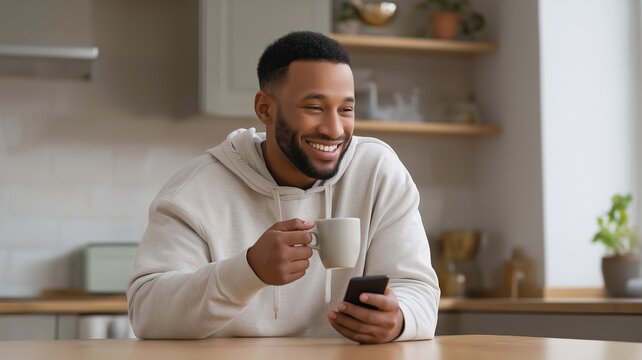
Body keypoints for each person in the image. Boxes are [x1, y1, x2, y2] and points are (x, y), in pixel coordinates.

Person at [127, 31, 440, 344]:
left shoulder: (377, 172)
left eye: (346, 110)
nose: (334, 129)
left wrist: (399, 320)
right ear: (265, 109)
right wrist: (248, 270)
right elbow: (147, 312)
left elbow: (418, 289)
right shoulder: (195, 191)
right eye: (314, 107)